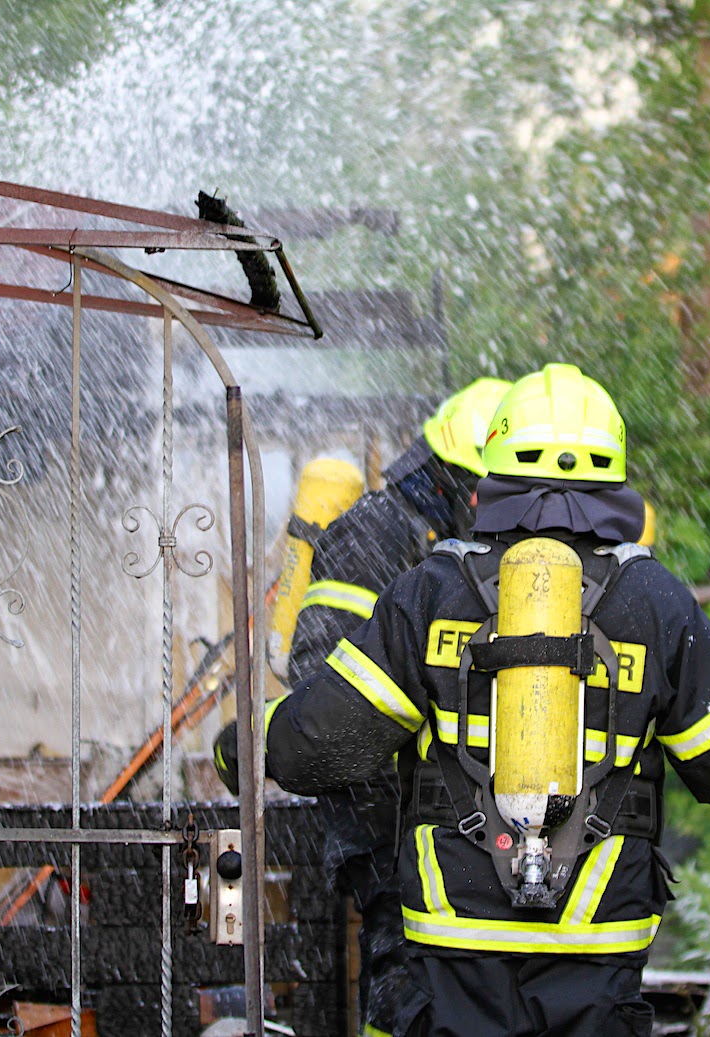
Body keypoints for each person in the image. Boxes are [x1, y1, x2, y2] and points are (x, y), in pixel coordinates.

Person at [256, 363, 710, 1036]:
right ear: (615, 474)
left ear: (491, 472)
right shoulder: (652, 599)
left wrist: (250, 739)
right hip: (598, 954)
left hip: (454, 951)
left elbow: (314, 748)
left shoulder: (431, 590)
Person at [216, 376, 511, 1037]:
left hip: (448, 830)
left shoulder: (451, 547)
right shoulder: (376, 536)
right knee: (405, 986)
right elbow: (326, 682)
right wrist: (403, 817)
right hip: (394, 828)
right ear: (457, 477)